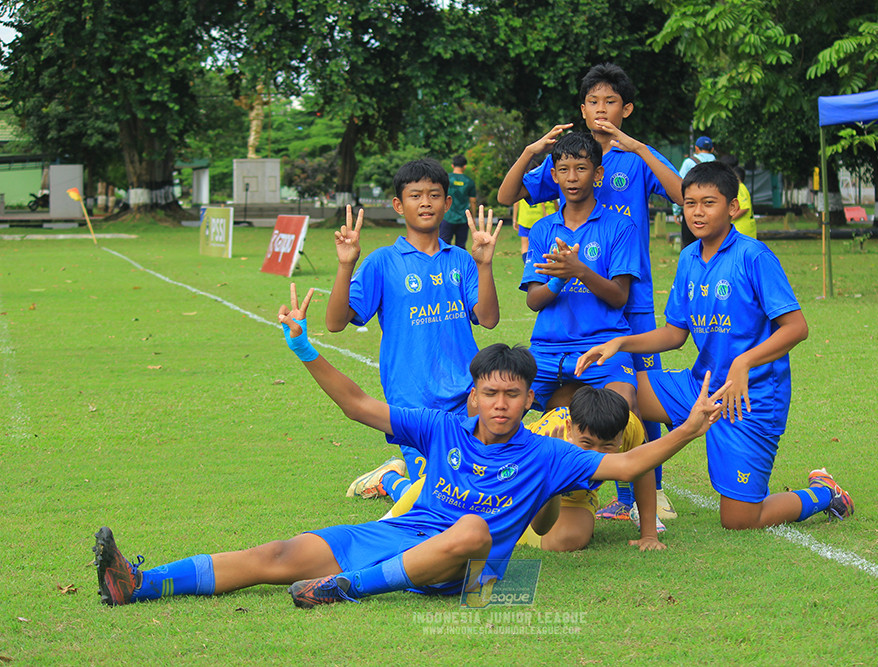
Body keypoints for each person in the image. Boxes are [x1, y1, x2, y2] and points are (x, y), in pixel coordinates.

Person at [92, 298, 729, 608]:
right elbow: (360, 406)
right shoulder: (440, 427)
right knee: (277, 555)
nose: (501, 404)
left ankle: (346, 590)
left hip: (469, 575)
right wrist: (306, 349)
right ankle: (140, 584)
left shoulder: (546, 452)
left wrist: (690, 427)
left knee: (475, 528)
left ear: (527, 398)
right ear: (474, 396)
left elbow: (625, 465)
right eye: (490, 393)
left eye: (513, 394)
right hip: (401, 537)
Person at [577, 161, 854, 530]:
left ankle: (825, 493)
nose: (697, 212)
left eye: (708, 202)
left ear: (733, 207)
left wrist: (744, 363)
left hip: (749, 399)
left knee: (740, 519)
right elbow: (675, 335)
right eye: (690, 203)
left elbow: (796, 327)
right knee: (618, 393)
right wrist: (621, 342)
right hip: (700, 387)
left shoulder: (753, 256)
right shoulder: (689, 257)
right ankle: (625, 498)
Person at [497, 62, 683, 524]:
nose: (602, 110)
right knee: (565, 403)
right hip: (570, 311)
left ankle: (646, 493)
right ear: (581, 110)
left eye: (611, 102)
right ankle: (547, 486)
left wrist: (638, 146)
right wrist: (533, 150)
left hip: (626, 296)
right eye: (594, 102)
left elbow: (683, 195)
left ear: (627, 109)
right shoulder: (565, 157)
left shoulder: (636, 158)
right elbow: (508, 195)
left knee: (637, 393)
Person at [325, 158, 501, 503]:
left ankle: (396, 479)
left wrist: (484, 265)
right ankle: (391, 479)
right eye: (415, 195)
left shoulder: (461, 260)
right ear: (398, 205)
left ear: (448, 204)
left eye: (434, 195)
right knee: (440, 496)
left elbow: (489, 318)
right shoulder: (382, 262)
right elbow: (334, 323)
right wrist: (346, 266)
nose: (425, 203)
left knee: (480, 484)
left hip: (468, 396)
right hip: (412, 403)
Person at [517, 131, 663, 537]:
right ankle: (507, 495)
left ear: (597, 174)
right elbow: (534, 301)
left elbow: (618, 297)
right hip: (548, 351)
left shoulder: (619, 227)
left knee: (620, 411)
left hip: (602, 347)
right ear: (554, 175)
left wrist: (579, 271)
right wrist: (561, 280)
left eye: (581, 168)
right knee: (520, 415)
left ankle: (634, 504)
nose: (572, 176)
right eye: (563, 169)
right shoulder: (544, 229)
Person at [385, 386, 665, 550]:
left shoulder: (628, 425)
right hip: (511, 479)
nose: (597, 455)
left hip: (571, 494)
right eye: (586, 444)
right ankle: (391, 481)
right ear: (569, 428)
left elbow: (643, 469)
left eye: (608, 447)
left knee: (569, 539)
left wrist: (648, 534)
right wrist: (555, 474)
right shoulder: (547, 437)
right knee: (445, 495)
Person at [673, 136, 717, 248]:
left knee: (689, 244)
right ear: (712, 149)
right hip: (712, 209)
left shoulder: (689, 162)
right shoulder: (717, 164)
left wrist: (676, 210)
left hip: (692, 208)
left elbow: (679, 186)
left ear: (696, 149)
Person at [512, 154, 557, 264]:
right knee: (546, 243)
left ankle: (528, 264)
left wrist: (514, 218)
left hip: (525, 218)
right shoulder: (545, 180)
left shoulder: (523, 182)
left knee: (525, 245)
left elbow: (516, 203)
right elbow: (551, 200)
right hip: (543, 217)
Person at [440, 155, 478, 249]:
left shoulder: (446, 179)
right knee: (461, 247)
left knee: (443, 245)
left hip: (447, 216)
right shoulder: (469, 181)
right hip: (463, 218)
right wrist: (473, 216)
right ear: (464, 166)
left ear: (453, 165)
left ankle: (444, 263)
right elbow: (473, 201)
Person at [732, 166, 757, 239]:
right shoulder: (740, 188)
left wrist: (730, 219)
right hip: (740, 227)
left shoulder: (740, 188)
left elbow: (745, 208)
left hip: (742, 228)